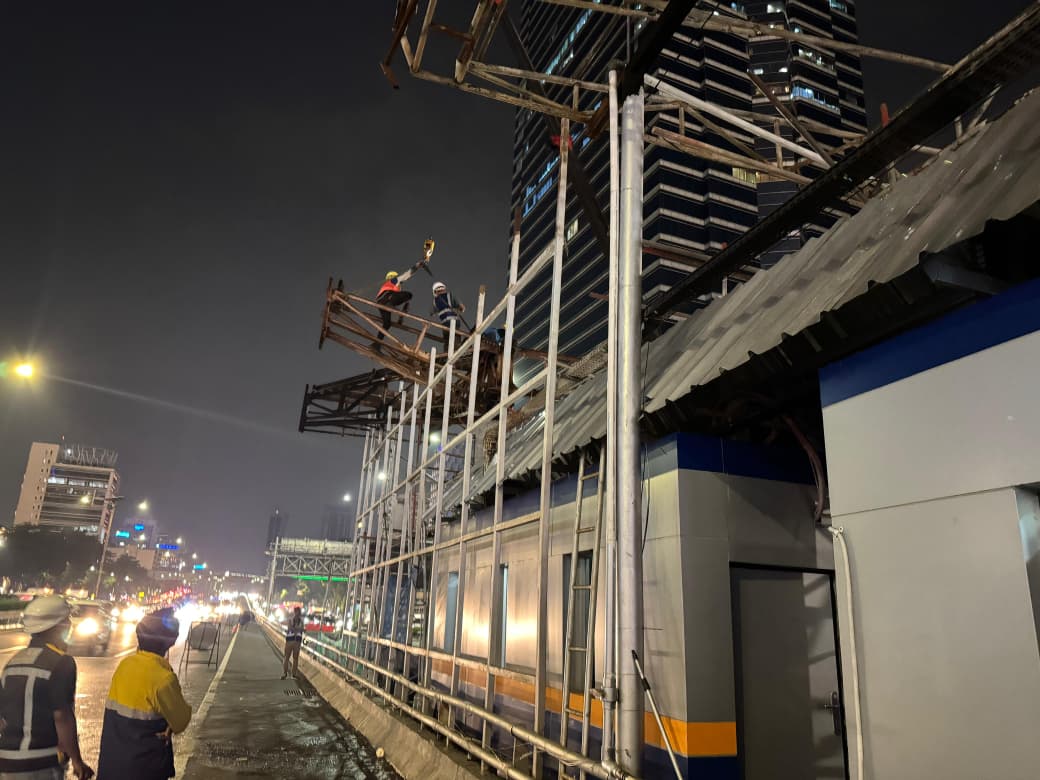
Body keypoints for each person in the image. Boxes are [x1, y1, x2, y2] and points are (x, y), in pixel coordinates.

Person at [0, 595, 94, 780]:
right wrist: (76, 760)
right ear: (59, 627)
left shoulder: (12, 663)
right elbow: (62, 717)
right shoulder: (62, 662)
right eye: (67, 623)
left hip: (6, 761)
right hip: (41, 763)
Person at [96, 608, 191, 780]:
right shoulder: (164, 679)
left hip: (111, 765)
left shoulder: (125, 665)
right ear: (171, 641)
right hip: (144, 769)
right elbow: (180, 722)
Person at [375, 270, 415, 340]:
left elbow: (405, 304)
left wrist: (400, 318)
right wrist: (418, 266)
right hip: (386, 299)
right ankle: (393, 309)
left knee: (387, 324)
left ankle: (377, 343)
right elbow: (406, 275)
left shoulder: (393, 287)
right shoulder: (393, 281)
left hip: (381, 304)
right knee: (408, 295)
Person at [281, 607, 304, 680]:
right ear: (295, 612)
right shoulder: (290, 620)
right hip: (290, 641)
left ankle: (294, 674)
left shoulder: (301, 621)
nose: (298, 614)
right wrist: (297, 630)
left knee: (295, 658)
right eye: (297, 612)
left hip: (297, 641)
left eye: (299, 612)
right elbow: (290, 628)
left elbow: (301, 629)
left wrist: (296, 630)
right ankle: (285, 673)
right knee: (287, 657)